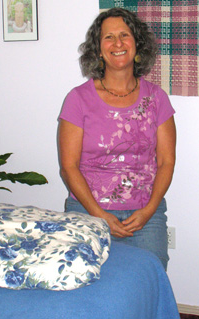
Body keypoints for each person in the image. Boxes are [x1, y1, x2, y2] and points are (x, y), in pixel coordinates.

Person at [58, 8, 176, 270]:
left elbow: (167, 162)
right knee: (85, 283)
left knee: (149, 281)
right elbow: (68, 166)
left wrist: (148, 211)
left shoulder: (157, 99)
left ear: (137, 44)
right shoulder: (78, 99)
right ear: (98, 50)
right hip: (87, 211)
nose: (118, 43)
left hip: (145, 215)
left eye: (125, 35)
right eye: (108, 37)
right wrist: (99, 215)